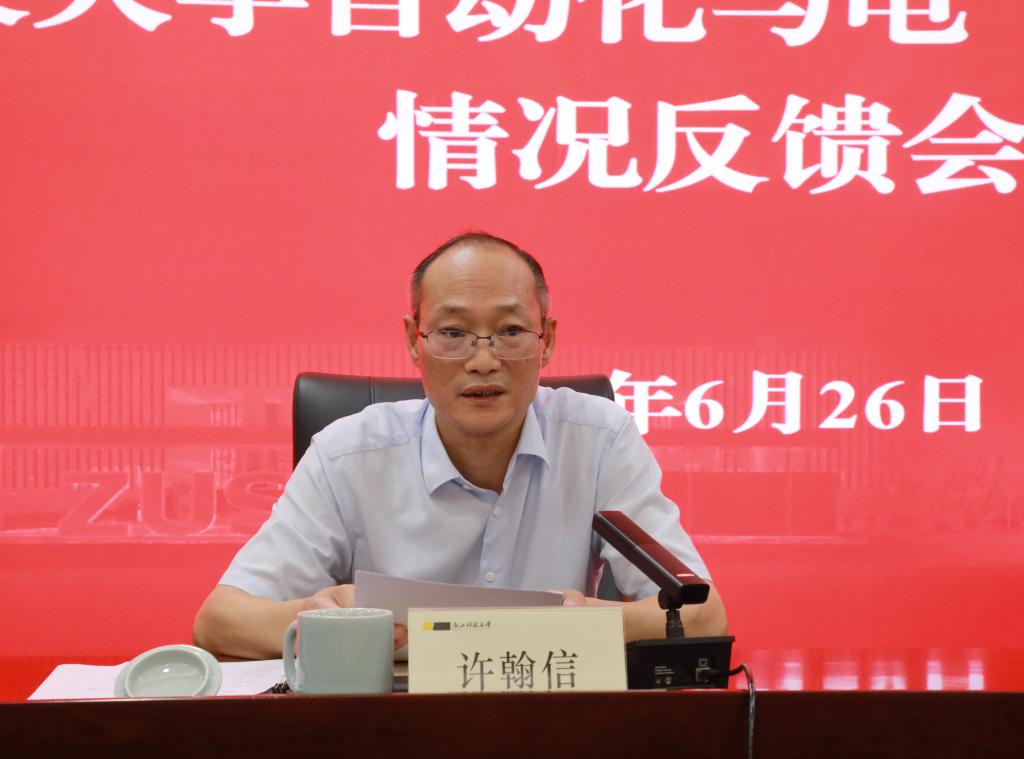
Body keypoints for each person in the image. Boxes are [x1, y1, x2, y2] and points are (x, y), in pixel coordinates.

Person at [193, 232, 726, 659]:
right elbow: (218, 622)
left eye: (510, 331)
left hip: (549, 722)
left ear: (547, 341)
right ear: (413, 341)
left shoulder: (600, 440)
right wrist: (322, 618)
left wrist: (584, 622)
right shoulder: (347, 455)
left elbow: (703, 615)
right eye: (452, 333)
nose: (483, 361)